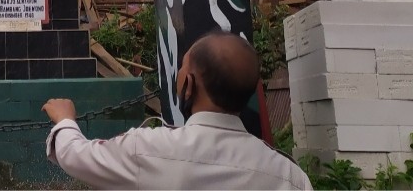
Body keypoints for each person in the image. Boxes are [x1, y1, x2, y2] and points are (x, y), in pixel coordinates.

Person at [42, 30, 312, 190]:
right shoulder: (290, 177)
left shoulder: (147, 148)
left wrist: (65, 120)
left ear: (189, 84)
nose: (179, 75)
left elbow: (78, 156)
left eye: (182, 68)